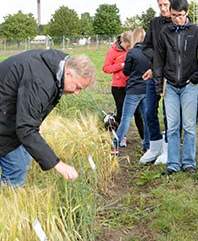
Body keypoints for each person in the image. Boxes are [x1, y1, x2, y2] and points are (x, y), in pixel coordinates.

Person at [0, 49, 96, 187]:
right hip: (4, 118)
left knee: (24, 159)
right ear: (68, 73)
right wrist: (58, 164)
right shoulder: (39, 81)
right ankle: (7, 203)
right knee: (16, 168)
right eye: (77, 87)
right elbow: (26, 128)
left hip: (8, 113)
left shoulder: (59, 65)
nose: (76, 93)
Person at [154, 0, 198, 175]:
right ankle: (172, 164)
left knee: (189, 126)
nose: (176, 18)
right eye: (173, 15)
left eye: (179, 15)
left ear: (186, 13)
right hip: (170, 85)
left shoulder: (196, 31)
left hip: (189, 86)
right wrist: (158, 86)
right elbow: (158, 61)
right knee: (171, 127)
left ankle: (188, 162)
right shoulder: (165, 33)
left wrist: (196, 77)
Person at [139, 0, 175, 165]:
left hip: (170, 75)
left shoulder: (178, 23)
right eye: (160, 5)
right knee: (149, 110)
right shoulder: (154, 23)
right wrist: (156, 63)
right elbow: (146, 47)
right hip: (154, 74)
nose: (162, 8)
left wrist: (162, 64)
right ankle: (154, 145)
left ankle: (169, 148)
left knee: (169, 113)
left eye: (165, 5)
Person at [112, 28, 151, 155]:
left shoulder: (132, 52)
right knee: (146, 119)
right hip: (146, 89)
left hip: (133, 89)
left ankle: (115, 145)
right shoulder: (150, 52)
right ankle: (147, 145)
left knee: (126, 119)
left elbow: (126, 71)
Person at [102, 32, 144, 146]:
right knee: (121, 112)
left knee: (138, 113)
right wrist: (120, 66)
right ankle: (121, 137)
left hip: (132, 86)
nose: (129, 48)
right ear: (123, 42)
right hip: (118, 86)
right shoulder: (112, 52)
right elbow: (106, 68)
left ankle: (144, 138)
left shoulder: (133, 51)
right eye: (128, 46)